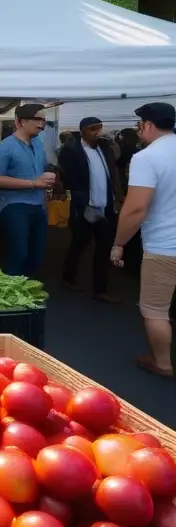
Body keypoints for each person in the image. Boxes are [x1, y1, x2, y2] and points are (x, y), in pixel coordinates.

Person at [111, 102, 176, 378]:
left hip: (164, 246)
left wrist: (119, 243)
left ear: (148, 125)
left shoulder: (147, 158)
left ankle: (162, 363)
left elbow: (136, 208)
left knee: (156, 309)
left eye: (140, 126)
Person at [0, 103, 55, 278]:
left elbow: (38, 172)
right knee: (19, 253)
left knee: (37, 255)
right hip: (14, 207)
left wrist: (47, 178)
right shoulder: (4, 147)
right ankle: (11, 294)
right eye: (37, 119)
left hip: (38, 206)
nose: (41, 124)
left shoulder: (38, 144)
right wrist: (34, 183)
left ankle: (27, 292)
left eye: (43, 119)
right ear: (19, 122)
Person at [58, 116, 119, 302]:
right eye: (93, 129)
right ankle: (68, 277)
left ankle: (100, 289)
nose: (97, 132)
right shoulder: (72, 150)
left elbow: (112, 173)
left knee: (105, 247)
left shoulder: (104, 148)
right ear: (83, 131)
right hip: (85, 206)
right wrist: (80, 198)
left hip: (105, 207)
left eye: (99, 128)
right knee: (79, 243)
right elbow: (68, 177)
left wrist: (117, 197)